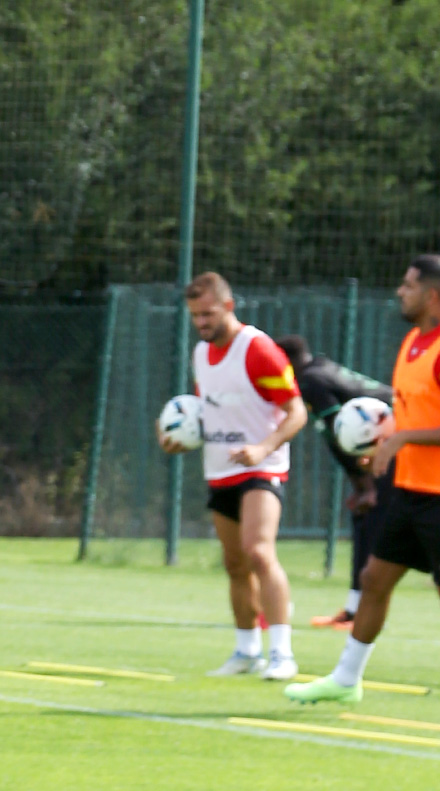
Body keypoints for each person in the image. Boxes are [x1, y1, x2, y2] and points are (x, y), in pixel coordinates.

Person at [287, 256, 440, 706]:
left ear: (432, 295)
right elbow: (413, 414)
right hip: (411, 492)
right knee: (374, 579)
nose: (399, 291)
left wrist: (405, 438)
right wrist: (384, 439)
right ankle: (346, 679)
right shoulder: (413, 341)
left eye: (408, 285)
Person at [159, 272, 307, 680]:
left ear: (229, 306)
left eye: (207, 313)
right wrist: (173, 431)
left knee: (259, 551)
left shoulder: (259, 349)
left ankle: (282, 653)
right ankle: (247, 651)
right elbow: (202, 410)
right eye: (194, 316)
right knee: (234, 563)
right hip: (221, 471)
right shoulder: (201, 353)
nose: (202, 323)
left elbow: (296, 411)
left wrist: (262, 448)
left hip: (263, 467)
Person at [274, 333, 392, 629]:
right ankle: (354, 611)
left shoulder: (311, 381)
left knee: (376, 519)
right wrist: (360, 483)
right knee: (365, 518)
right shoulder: (320, 369)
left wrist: (366, 485)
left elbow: (340, 434)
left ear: (286, 361)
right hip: (385, 440)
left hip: (396, 438)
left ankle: (360, 612)